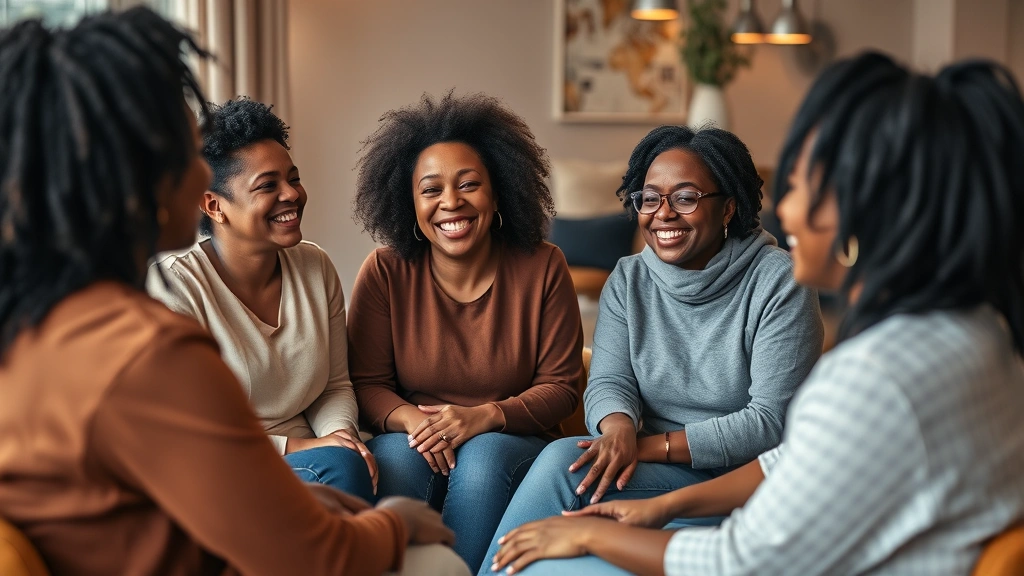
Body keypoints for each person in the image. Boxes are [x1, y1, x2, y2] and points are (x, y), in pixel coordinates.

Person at [489, 52, 1024, 576]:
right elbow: (798, 460)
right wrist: (663, 504)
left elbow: (737, 556)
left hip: (757, 537)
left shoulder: (872, 378)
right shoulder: (982, 332)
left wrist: (589, 532)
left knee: (556, 557)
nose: (784, 211)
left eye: (801, 185)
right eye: (649, 199)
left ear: (867, 206)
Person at [0, 9, 469, 575]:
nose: (200, 176)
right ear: (134, 178)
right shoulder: (146, 348)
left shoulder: (38, 323)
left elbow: (169, 496)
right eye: (183, 156)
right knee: (438, 563)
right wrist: (396, 522)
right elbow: (310, 557)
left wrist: (322, 490)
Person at [480, 124, 824, 573]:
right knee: (567, 471)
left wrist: (646, 447)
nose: (663, 214)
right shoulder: (629, 279)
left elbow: (770, 422)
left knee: (566, 464)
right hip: (654, 470)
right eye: (649, 198)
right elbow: (608, 380)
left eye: (685, 198)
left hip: (743, 479)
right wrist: (619, 428)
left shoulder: (779, 280)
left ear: (728, 208)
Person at [348, 91, 584, 570]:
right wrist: (415, 421)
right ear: (409, 203)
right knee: (394, 457)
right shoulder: (385, 270)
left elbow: (562, 387)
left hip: (510, 437)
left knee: (482, 461)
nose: (450, 203)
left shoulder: (543, 265)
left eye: (469, 184)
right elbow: (367, 383)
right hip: (415, 434)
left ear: (498, 191)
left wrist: (484, 417)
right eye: (431, 190)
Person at [147, 97, 376, 502]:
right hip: (229, 465)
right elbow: (189, 426)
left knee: (405, 456)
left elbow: (334, 386)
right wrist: (306, 449)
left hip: (321, 458)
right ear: (214, 206)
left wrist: (340, 436)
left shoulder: (315, 265)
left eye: (294, 178)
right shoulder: (176, 287)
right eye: (268, 185)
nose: (291, 194)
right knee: (340, 467)